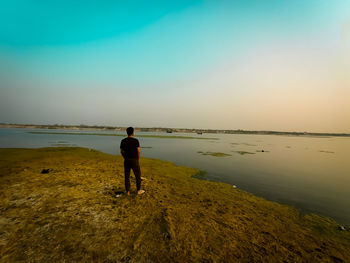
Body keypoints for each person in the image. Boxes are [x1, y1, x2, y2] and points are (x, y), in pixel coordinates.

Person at [120, 127, 145, 195]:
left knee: (127, 176)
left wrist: (124, 157)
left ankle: (127, 191)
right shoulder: (135, 140)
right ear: (133, 132)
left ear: (127, 132)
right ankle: (138, 190)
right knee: (137, 175)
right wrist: (137, 158)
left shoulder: (123, 140)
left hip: (127, 160)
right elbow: (138, 151)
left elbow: (121, 151)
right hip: (134, 160)